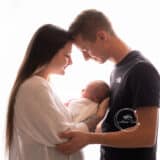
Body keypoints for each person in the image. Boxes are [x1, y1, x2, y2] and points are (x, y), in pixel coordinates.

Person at [56, 9, 160, 160]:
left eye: (85, 50)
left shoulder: (141, 70)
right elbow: (121, 123)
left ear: (102, 36)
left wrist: (89, 138)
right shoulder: (117, 71)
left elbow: (147, 136)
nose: (85, 58)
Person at [6, 24, 109, 160]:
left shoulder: (43, 85)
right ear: (48, 52)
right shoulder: (35, 86)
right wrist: (98, 117)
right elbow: (65, 137)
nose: (71, 62)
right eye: (67, 55)